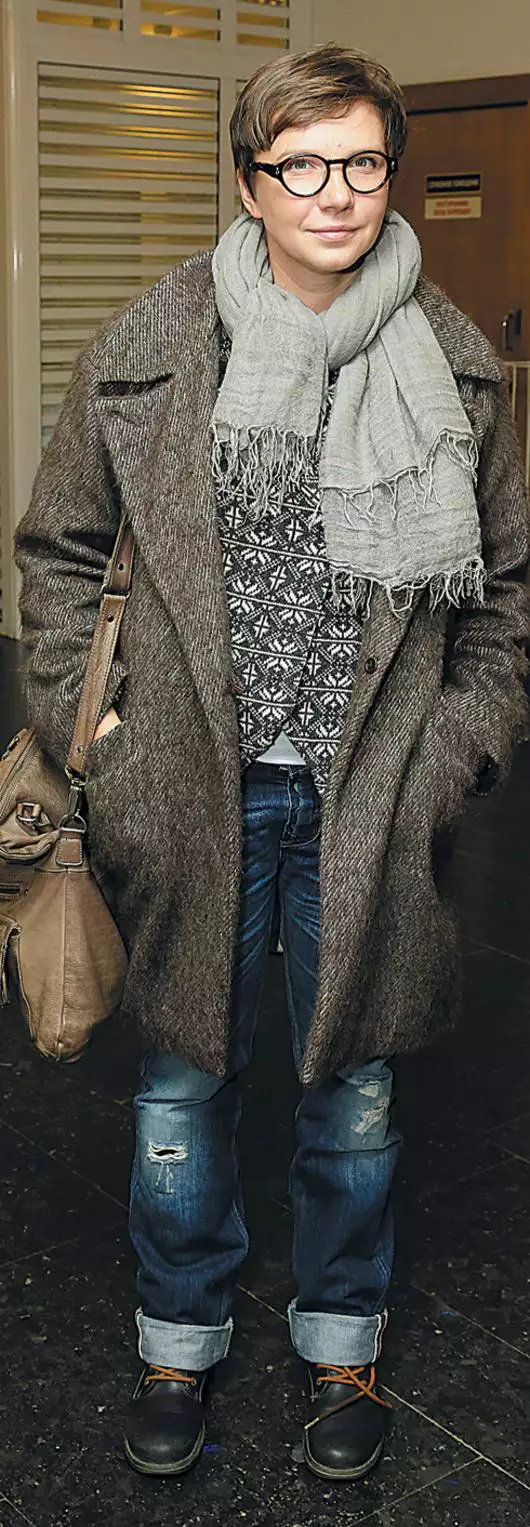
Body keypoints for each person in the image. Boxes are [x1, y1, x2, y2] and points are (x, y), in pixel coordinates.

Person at [15, 43, 529, 1485]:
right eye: (301, 165)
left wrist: (451, 752)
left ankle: (339, 1336)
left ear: (389, 174)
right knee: (182, 1083)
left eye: (362, 161)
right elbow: (58, 558)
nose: (335, 193)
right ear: (249, 185)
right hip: (191, 783)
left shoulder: (452, 367)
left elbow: (504, 594)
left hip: (372, 789)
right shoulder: (146, 349)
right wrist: (98, 741)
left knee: (352, 1091)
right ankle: (176, 1337)